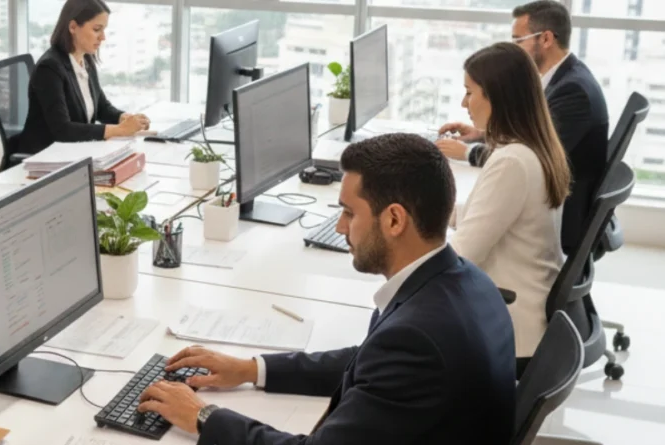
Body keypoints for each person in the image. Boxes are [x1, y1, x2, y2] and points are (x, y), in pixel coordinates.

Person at [138, 134, 516, 445]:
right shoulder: (464, 280)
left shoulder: (416, 338)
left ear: (395, 219)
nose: (339, 227)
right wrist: (252, 369)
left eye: (350, 212)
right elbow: (369, 361)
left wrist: (203, 417)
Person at [437, 0, 608, 255]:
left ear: (546, 38)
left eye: (519, 41)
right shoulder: (563, 79)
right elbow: (535, 131)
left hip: (563, 223)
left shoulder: (574, 91)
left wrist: (466, 152)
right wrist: (483, 134)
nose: (516, 49)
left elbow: (463, 254)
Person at [447, 42, 572, 372]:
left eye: (469, 92)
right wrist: (427, 211)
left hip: (511, 328)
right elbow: (493, 217)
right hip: (526, 314)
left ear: (496, 97)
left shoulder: (512, 162)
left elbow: (460, 258)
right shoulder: (532, 147)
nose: (464, 103)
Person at [18, 0, 151, 156]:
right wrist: (119, 130)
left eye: (104, 30)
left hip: (76, 151)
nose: (103, 37)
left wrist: (124, 118)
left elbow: (101, 107)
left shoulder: (85, 59)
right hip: (46, 157)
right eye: (96, 29)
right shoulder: (49, 68)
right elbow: (63, 130)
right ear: (73, 27)